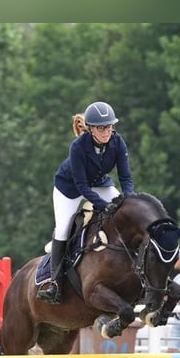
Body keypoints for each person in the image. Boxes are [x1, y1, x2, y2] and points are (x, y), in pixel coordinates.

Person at [36, 101, 135, 304]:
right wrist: (103, 205)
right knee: (63, 229)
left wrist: (129, 199)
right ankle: (54, 282)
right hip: (69, 188)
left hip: (100, 184)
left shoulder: (118, 142)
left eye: (109, 126)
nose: (107, 131)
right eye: (101, 128)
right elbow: (81, 186)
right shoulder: (78, 147)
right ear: (90, 129)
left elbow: (125, 177)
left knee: (126, 212)